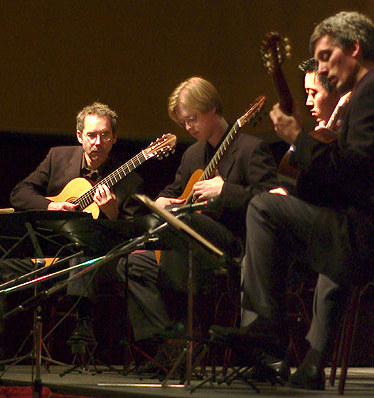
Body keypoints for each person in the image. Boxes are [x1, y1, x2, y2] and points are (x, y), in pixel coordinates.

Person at [212, 11, 374, 390]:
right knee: (272, 209)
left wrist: (297, 136)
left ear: (354, 48)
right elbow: (350, 178)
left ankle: (268, 325)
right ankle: (298, 354)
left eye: (324, 56)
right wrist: (299, 194)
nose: (322, 68)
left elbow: (352, 173)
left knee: (263, 208)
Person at [0, 102, 142, 368]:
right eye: (91, 135)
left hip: (91, 265)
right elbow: (19, 193)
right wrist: (51, 205)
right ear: (80, 137)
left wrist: (112, 215)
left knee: (84, 256)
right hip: (46, 256)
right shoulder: (58, 158)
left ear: (114, 138)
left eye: (104, 135)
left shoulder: (129, 179)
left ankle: (83, 326)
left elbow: (129, 238)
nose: (98, 142)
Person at [117, 76, 278, 372]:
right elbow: (175, 191)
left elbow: (270, 202)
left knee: (184, 220)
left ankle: (188, 336)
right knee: (132, 264)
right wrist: (164, 200)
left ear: (213, 108)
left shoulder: (251, 149)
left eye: (192, 118)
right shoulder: (193, 153)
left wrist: (226, 190)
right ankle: (169, 345)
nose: (188, 127)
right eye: (183, 123)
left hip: (231, 245)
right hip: (189, 248)